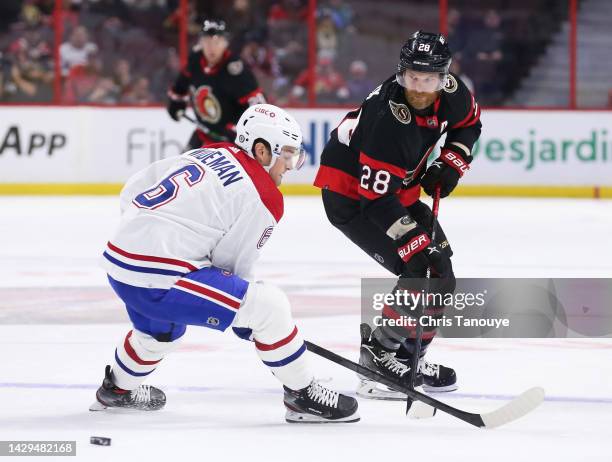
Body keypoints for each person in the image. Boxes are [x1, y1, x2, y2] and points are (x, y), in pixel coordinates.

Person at [90, 103, 359, 424]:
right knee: (269, 308)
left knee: (161, 330)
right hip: (158, 277)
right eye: (286, 154)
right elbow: (230, 267)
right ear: (261, 150)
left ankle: (117, 391)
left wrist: (148, 233)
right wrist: (256, 326)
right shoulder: (263, 194)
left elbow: (136, 186)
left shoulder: (212, 152)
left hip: (120, 260)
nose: (289, 165)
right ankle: (303, 395)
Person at [313, 31, 482, 400]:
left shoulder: (453, 93)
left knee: (440, 273)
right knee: (418, 267)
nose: (418, 88)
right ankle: (377, 358)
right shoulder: (388, 120)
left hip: (394, 190)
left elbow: (470, 124)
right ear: (401, 73)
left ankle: (408, 358)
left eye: (427, 79)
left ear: (444, 77)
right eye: (411, 77)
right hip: (352, 197)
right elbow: (374, 199)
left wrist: (452, 162)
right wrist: (411, 240)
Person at [166, 19, 266, 149]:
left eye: (217, 42)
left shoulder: (236, 69)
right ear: (201, 43)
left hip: (233, 142)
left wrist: (239, 128)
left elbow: (259, 106)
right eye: (207, 42)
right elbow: (181, 85)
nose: (211, 47)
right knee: (182, 167)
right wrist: (176, 102)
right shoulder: (195, 59)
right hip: (203, 133)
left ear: (225, 44)